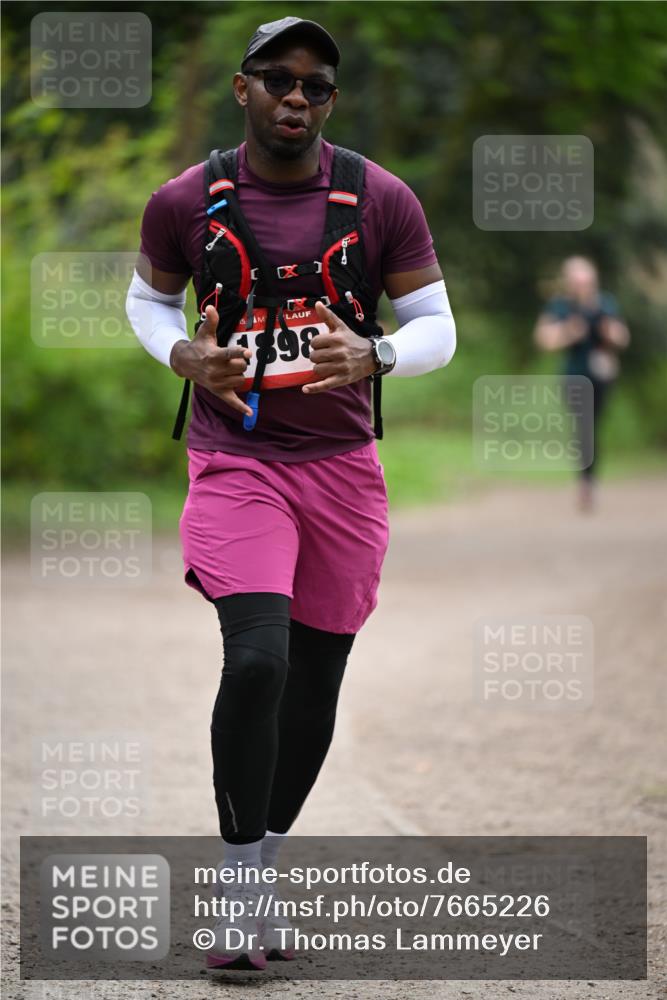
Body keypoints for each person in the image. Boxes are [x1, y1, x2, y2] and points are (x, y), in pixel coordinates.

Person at [126, 15, 456, 970]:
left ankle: (263, 868)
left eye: (314, 84)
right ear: (243, 90)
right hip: (237, 463)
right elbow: (147, 300)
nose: (295, 97)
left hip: (343, 472)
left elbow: (435, 324)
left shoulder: (379, 198)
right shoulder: (185, 201)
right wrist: (181, 351)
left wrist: (377, 351)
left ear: (331, 100)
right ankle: (236, 893)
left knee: (314, 686)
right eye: (276, 79)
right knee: (258, 661)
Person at [533, 256, 630, 511]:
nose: (581, 286)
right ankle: (586, 482)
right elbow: (544, 339)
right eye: (576, 281)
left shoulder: (605, 303)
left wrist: (612, 334)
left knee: (592, 427)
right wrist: (569, 332)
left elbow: (622, 337)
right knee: (584, 425)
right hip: (574, 377)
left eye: (585, 280)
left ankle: (589, 480)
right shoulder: (560, 306)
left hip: (602, 376)